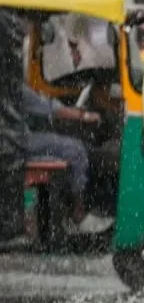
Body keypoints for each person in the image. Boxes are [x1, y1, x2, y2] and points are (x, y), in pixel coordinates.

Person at [21, 85, 112, 234]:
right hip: (16, 143)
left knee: (61, 149)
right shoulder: (12, 86)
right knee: (77, 150)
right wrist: (83, 115)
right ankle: (78, 215)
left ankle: (64, 210)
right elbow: (51, 108)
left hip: (11, 143)